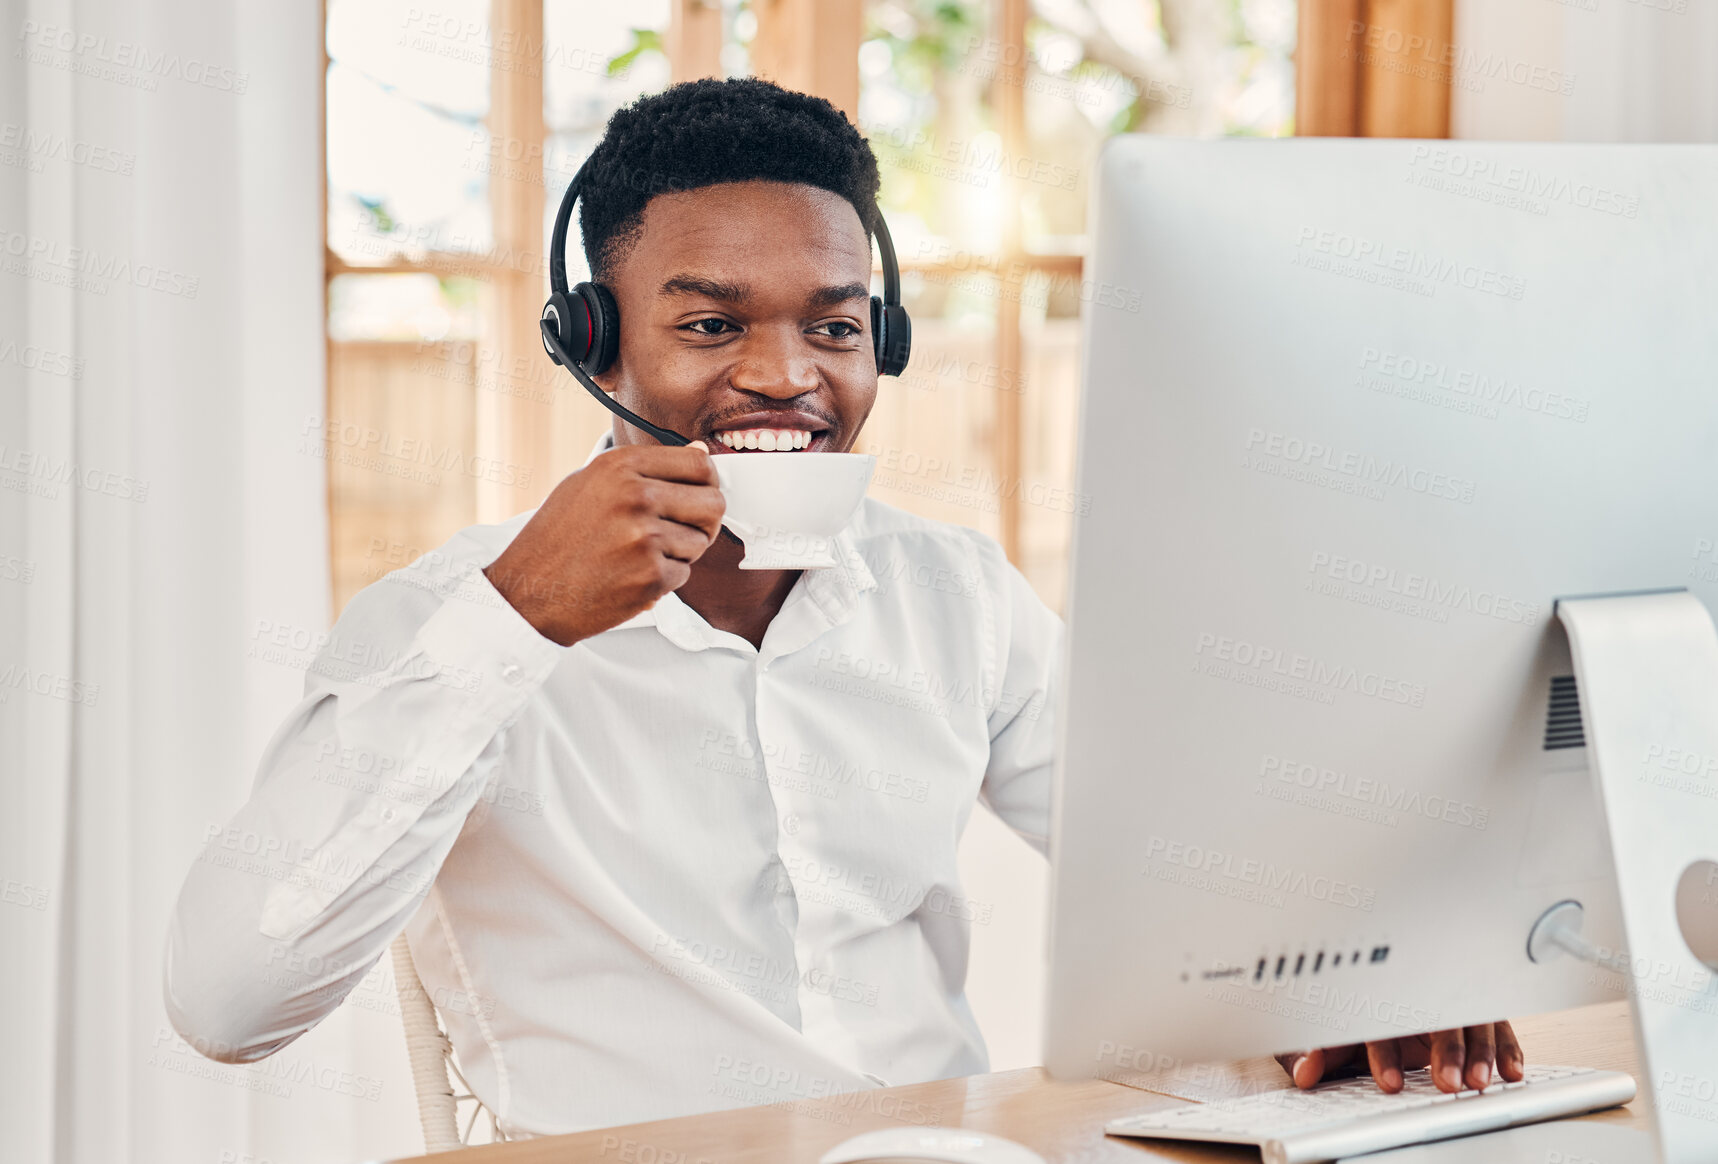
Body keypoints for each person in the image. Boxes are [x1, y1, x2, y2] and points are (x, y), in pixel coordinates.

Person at [163, 77, 1520, 1137]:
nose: (785, 375)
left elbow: (1174, 865)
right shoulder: (450, 619)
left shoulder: (949, 593)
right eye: (709, 327)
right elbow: (227, 1007)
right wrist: (514, 623)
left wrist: (1357, 986)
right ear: (593, 342)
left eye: (833, 323)